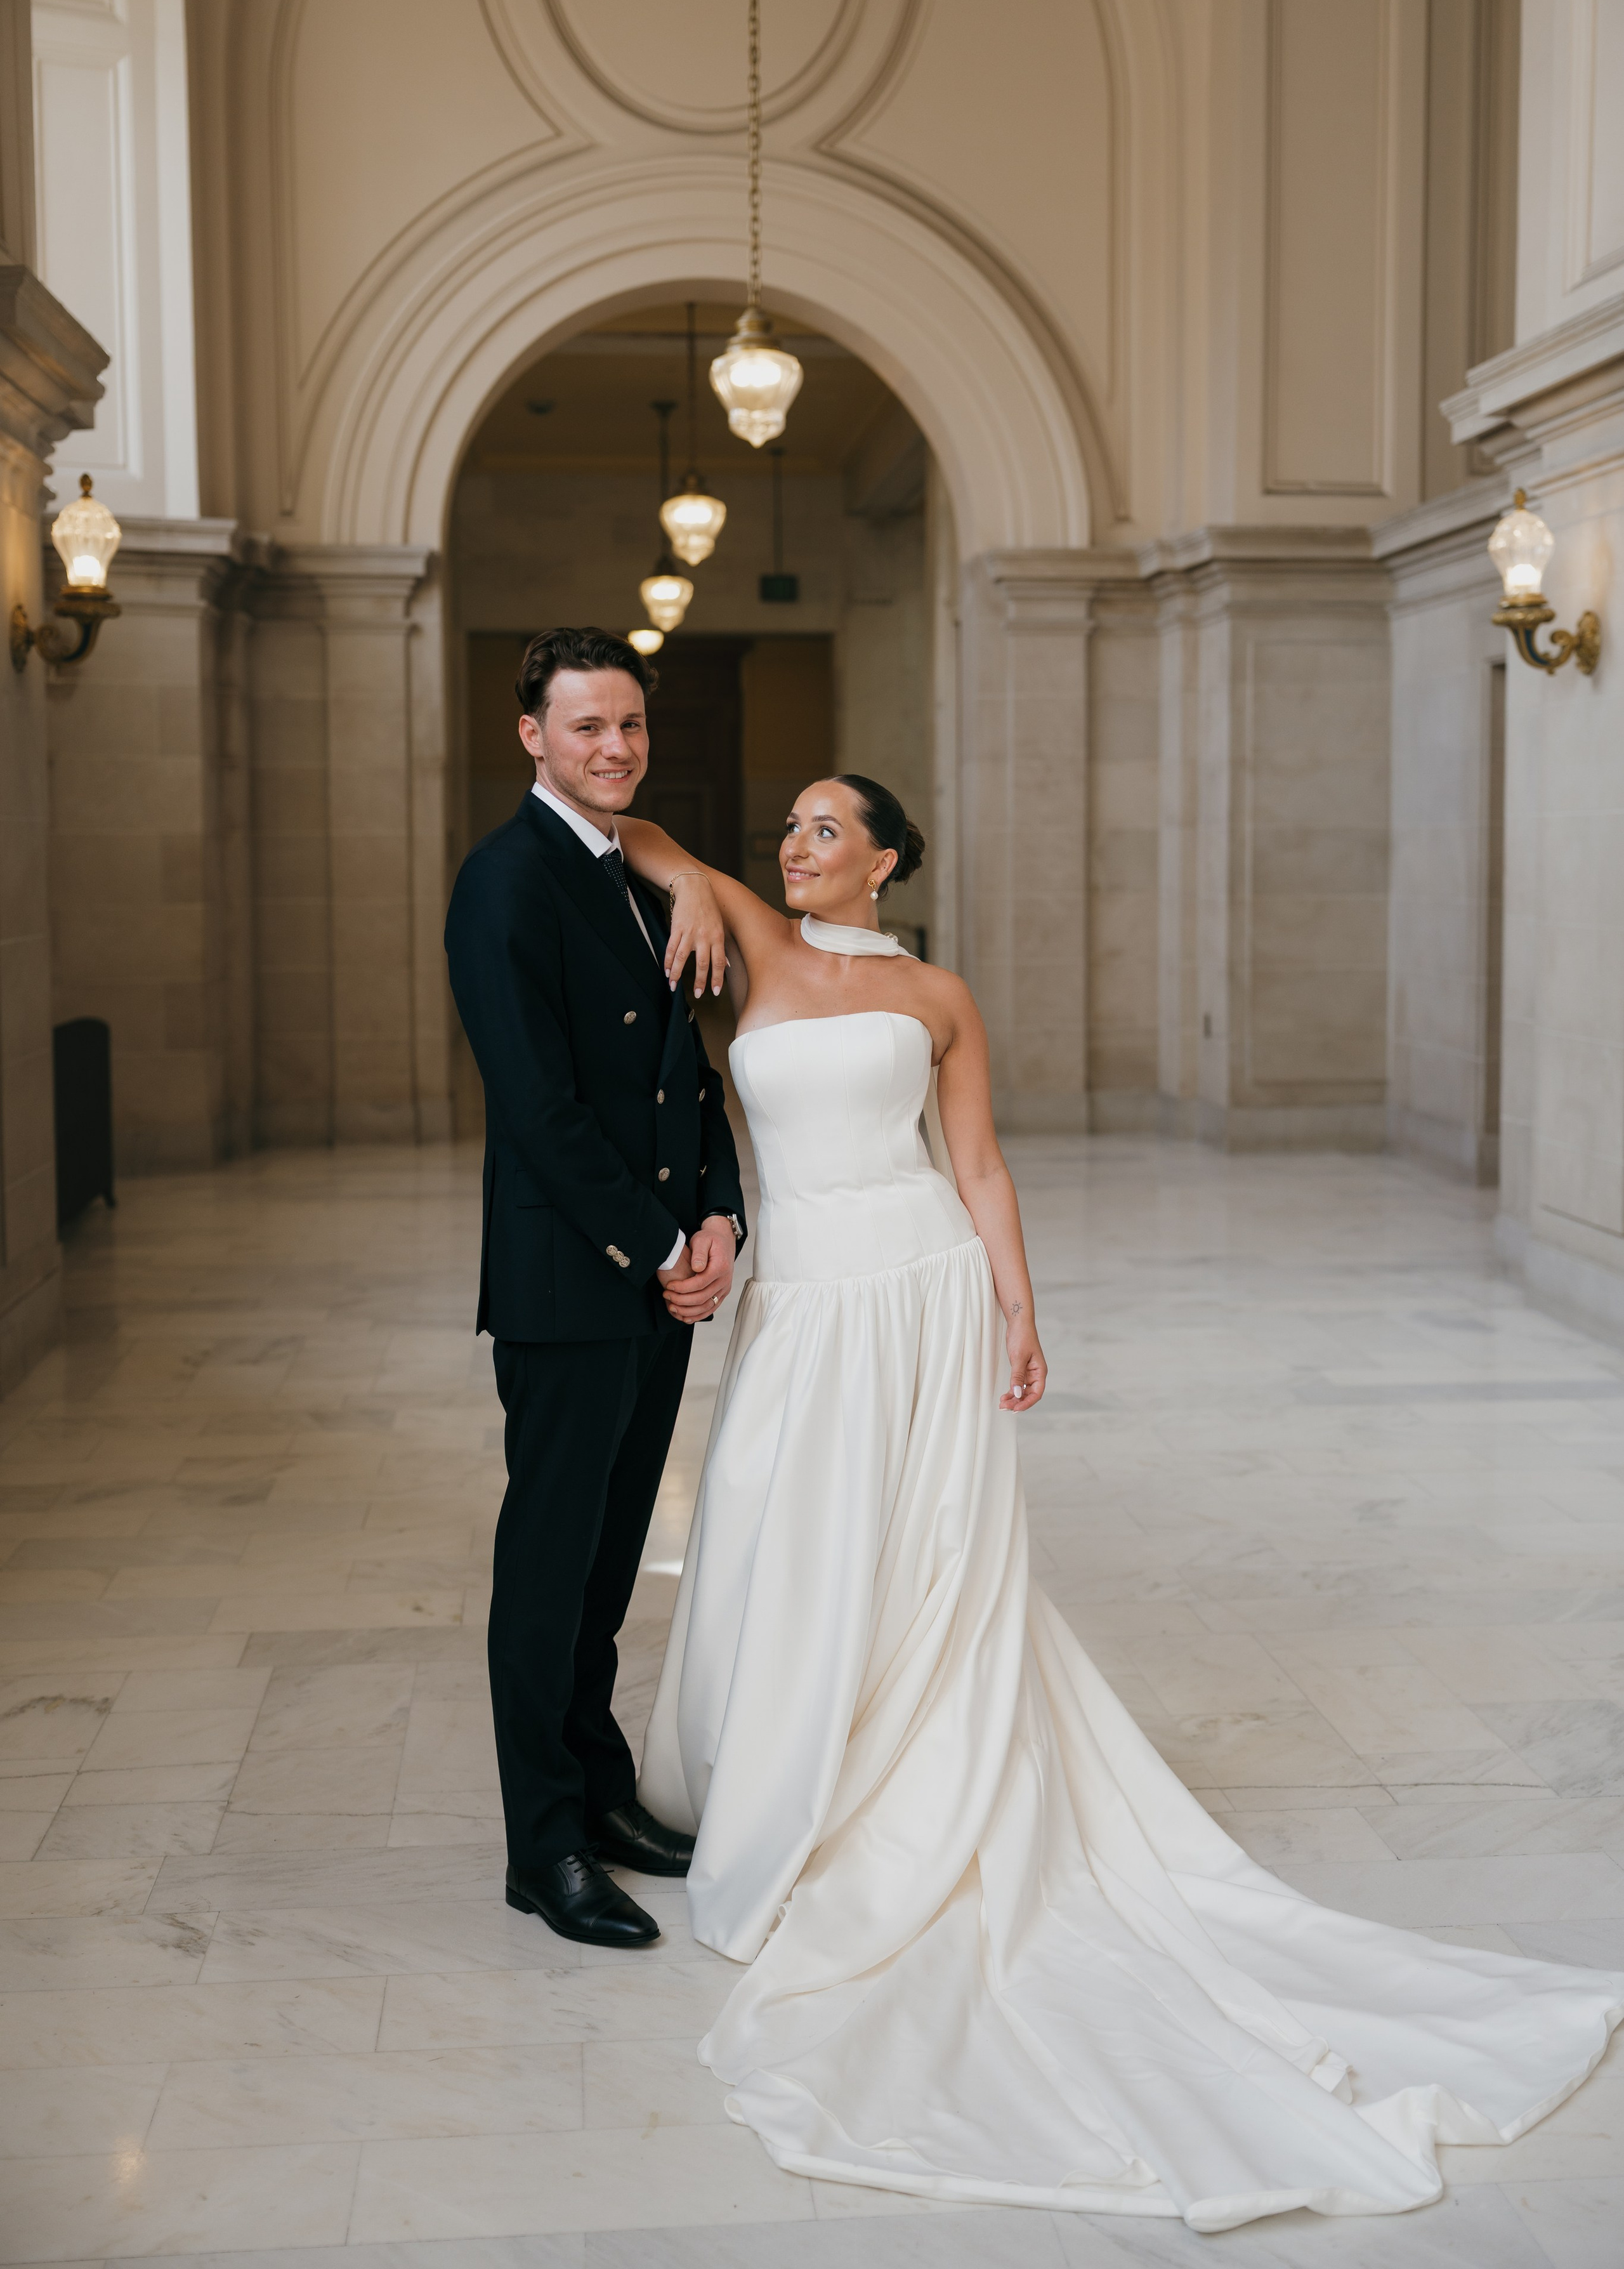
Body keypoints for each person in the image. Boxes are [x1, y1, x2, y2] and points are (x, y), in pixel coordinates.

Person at [615, 774, 1623, 2232]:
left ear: (887, 861)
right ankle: (778, 1785)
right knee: (780, 1540)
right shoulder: (759, 945)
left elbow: (973, 1162)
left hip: (922, 1288)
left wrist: (1019, 1313)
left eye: (826, 829)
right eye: (787, 828)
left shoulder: (941, 996)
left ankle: (903, 1793)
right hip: (806, 1304)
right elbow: (638, 839)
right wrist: (704, 882)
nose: (796, 844)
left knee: (924, 1566)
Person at [443, 626, 746, 1950]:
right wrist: (660, 1242)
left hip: (657, 1274)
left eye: (626, 725)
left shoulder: (639, 872)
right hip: (575, 1282)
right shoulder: (504, 883)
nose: (612, 748)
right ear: (531, 736)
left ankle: (604, 1793)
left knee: (612, 1562)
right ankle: (543, 1847)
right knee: (549, 1568)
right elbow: (539, 1108)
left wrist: (724, 1209)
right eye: (584, 727)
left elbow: (691, 1069)